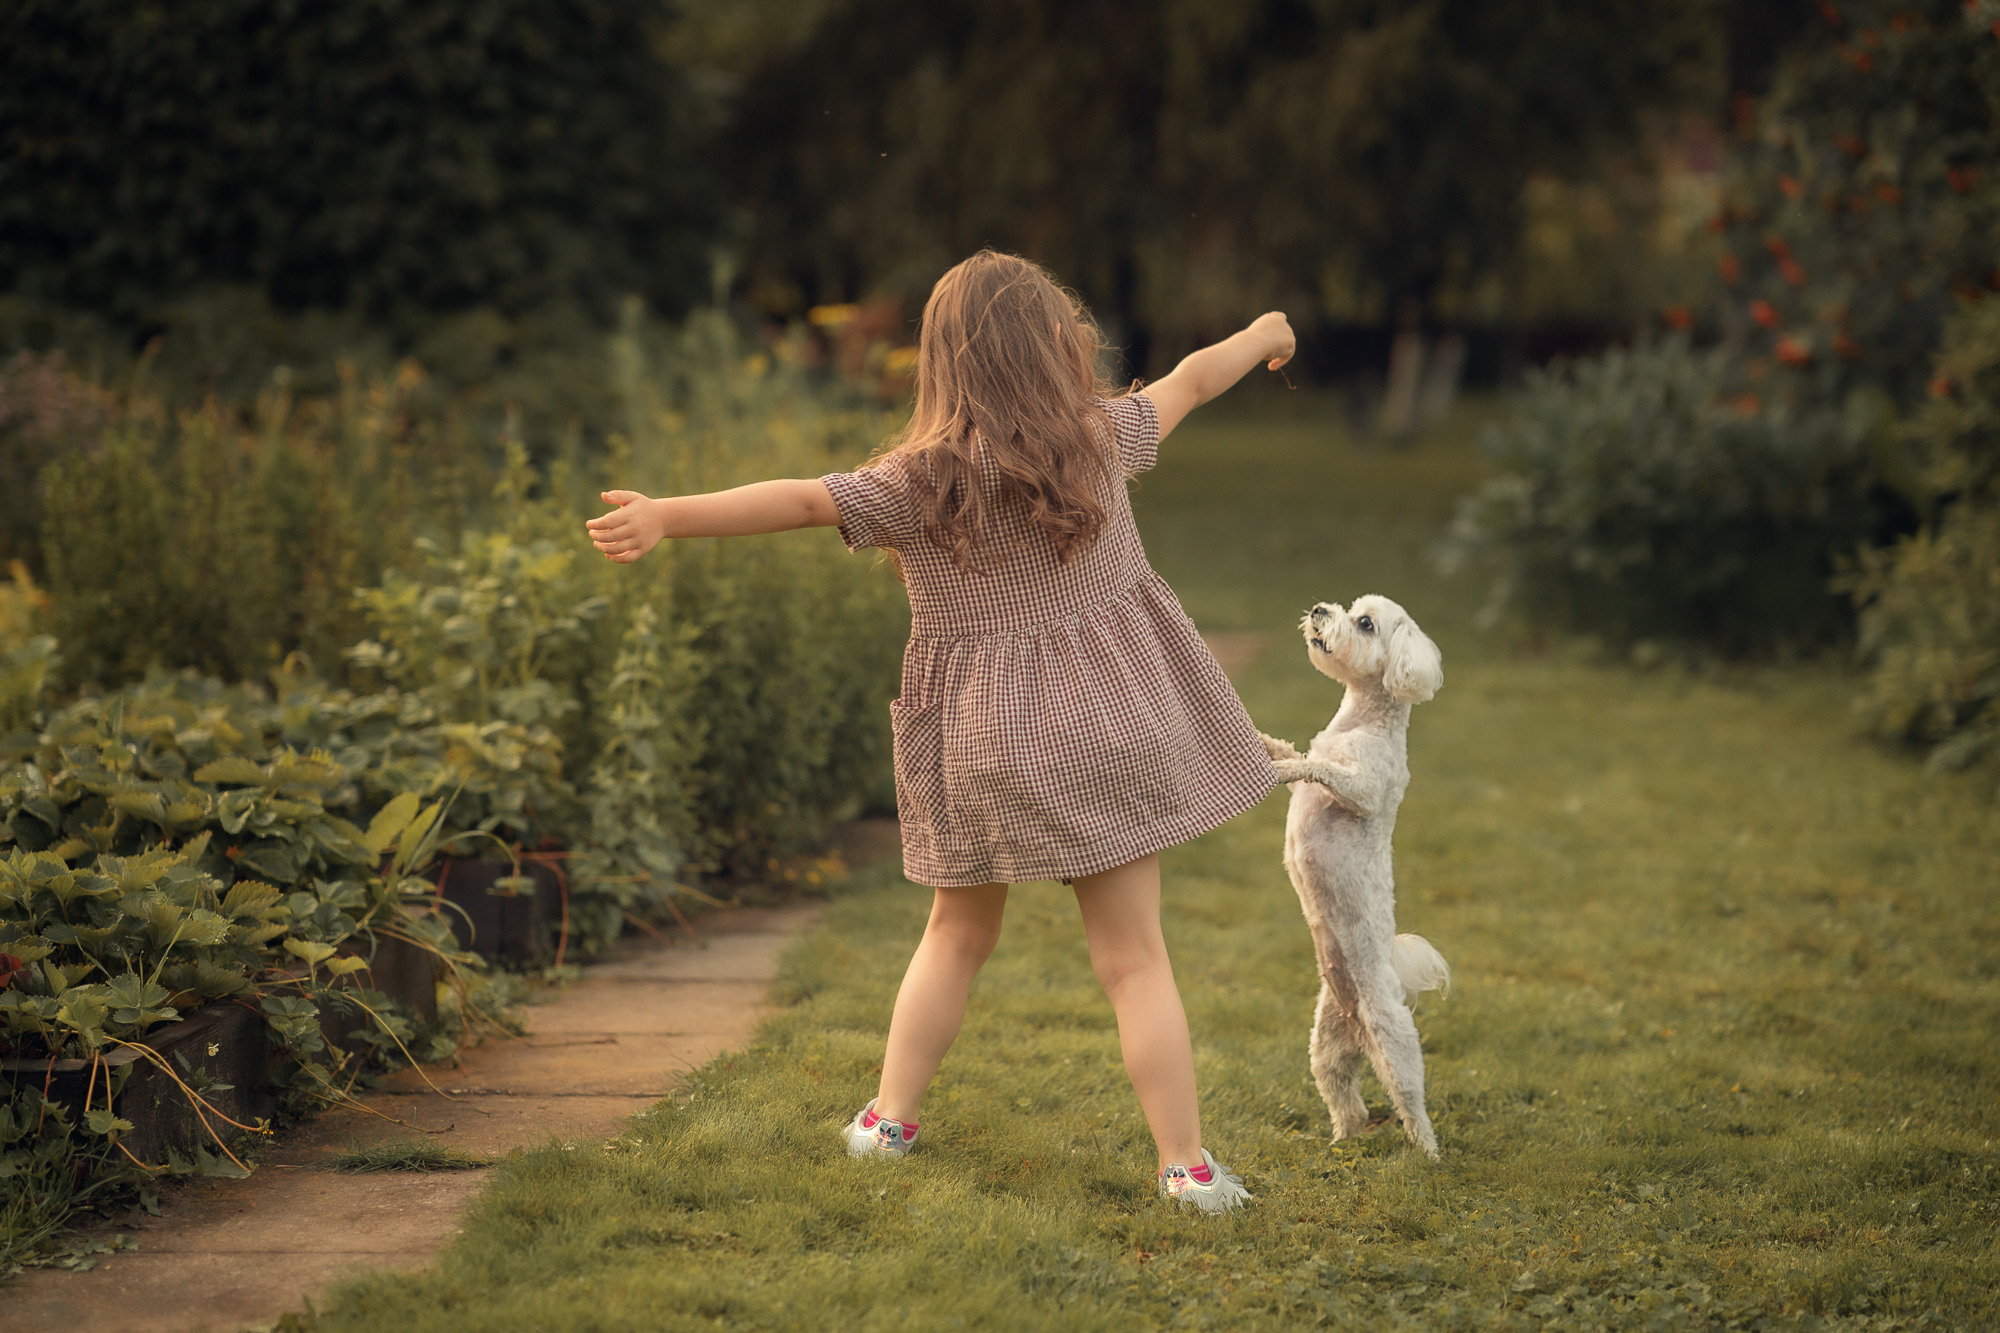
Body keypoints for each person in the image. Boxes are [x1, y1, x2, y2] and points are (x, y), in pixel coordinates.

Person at [586, 250, 1292, 1213]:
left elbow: (802, 498)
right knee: (1134, 959)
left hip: (984, 741)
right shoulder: (1101, 437)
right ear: (1055, 347)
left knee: (956, 933)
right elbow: (1193, 379)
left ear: (942, 364)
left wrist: (668, 514)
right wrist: (1261, 334)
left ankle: (888, 1122)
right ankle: (1187, 1169)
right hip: (1112, 727)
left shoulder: (919, 481)